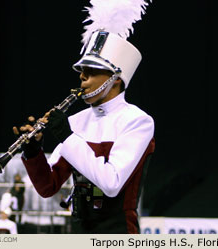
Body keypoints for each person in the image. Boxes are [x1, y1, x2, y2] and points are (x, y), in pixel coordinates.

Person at [14, 1, 154, 233]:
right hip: (78, 228)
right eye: (82, 71)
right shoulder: (76, 121)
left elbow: (111, 183)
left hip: (117, 231)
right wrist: (33, 152)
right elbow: (48, 187)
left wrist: (66, 137)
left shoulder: (137, 121)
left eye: (92, 72)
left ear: (115, 78)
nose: (83, 78)